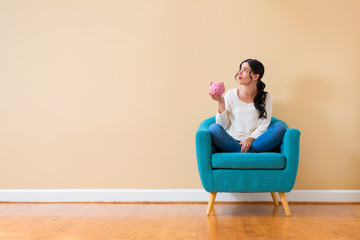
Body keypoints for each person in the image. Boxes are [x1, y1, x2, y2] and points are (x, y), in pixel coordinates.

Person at [208, 59, 286, 153]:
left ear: (256, 76)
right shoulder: (231, 94)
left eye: (245, 70)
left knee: (280, 127)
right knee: (213, 128)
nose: (239, 72)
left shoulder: (267, 97)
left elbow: (263, 125)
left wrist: (249, 140)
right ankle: (248, 152)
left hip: (255, 141)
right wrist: (221, 103)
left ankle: (243, 151)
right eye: (240, 69)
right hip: (232, 141)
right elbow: (221, 125)